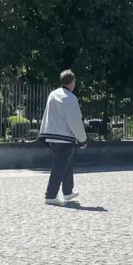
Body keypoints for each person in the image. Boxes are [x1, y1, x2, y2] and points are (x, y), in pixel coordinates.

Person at [39, 70, 87, 205]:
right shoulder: (70, 98)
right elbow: (75, 120)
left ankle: (67, 192)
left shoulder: (53, 94)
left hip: (51, 135)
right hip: (63, 137)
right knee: (60, 165)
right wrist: (82, 139)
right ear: (72, 82)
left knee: (66, 162)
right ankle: (51, 195)